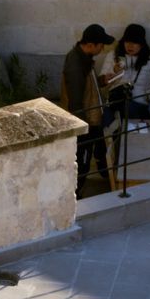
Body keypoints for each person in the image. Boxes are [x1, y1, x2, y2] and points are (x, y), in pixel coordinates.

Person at [60, 23, 118, 191]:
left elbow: (87, 89)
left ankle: (104, 174)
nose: (102, 49)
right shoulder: (76, 65)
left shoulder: (82, 59)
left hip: (92, 119)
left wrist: (102, 81)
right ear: (91, 45)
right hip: (85, 122)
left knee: (93, 156)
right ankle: (76, 199)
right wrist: (83, 131)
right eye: (101, 45)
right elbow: (76, 102)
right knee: (82, 164)